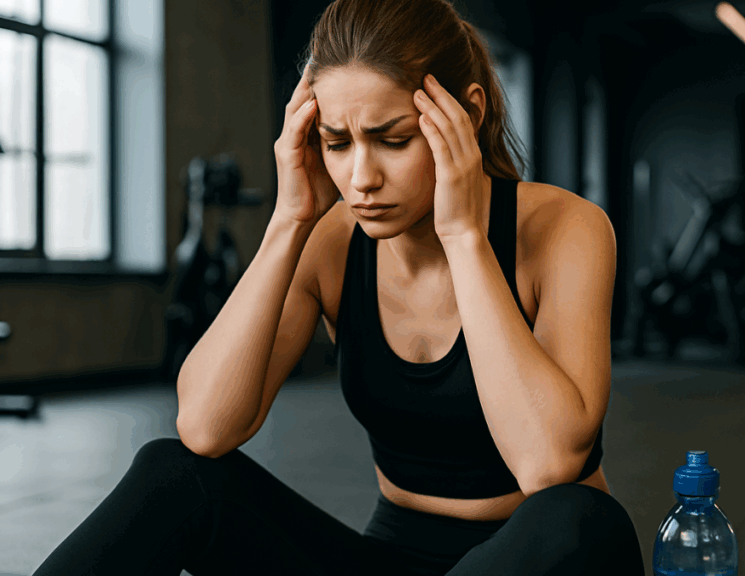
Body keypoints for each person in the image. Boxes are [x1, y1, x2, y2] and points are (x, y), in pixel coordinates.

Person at [32, 0, 644, 574]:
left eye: (393, 139)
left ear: (470, 114)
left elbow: (548, 465)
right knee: (175, 475)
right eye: (336, 143)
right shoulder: (331, 241)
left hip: (540, 558)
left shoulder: (565, 230)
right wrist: (289, 221)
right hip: (388, 554)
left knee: (579, 517)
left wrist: (464, 238)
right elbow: (205, 427)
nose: (361, 177)